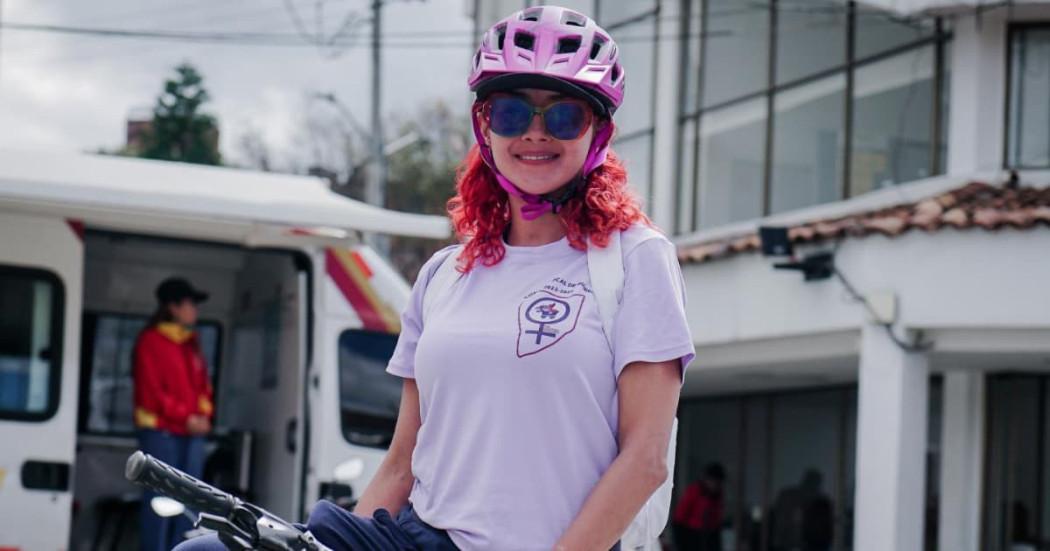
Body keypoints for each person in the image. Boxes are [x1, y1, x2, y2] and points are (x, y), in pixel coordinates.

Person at [176, 5, 693, 550]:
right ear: (484, 127)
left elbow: (646, 459)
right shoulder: (445, 275)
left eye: (564, 116)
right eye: (511, 114)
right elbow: (402, 462)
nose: (535, 134)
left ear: (598, 132)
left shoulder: (636, 260)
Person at [136, 277, 214, 551]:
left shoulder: (191, 343)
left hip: (190, 436)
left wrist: (204, 415)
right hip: (162, 433)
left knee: (191, 503)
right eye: (191, 303)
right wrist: (187, 418)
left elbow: (203, 386)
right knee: (159, 503)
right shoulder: (151, 341)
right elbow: (152, 393)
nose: (196, 310)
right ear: (173, 307)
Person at [671, 463, 726, 551]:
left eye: (718, 482)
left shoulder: (717, 497)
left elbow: (716, 523)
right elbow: (679, 519)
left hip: (708, 537)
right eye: (713, 481)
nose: (715, 485)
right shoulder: (694, 492)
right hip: (690, 536)